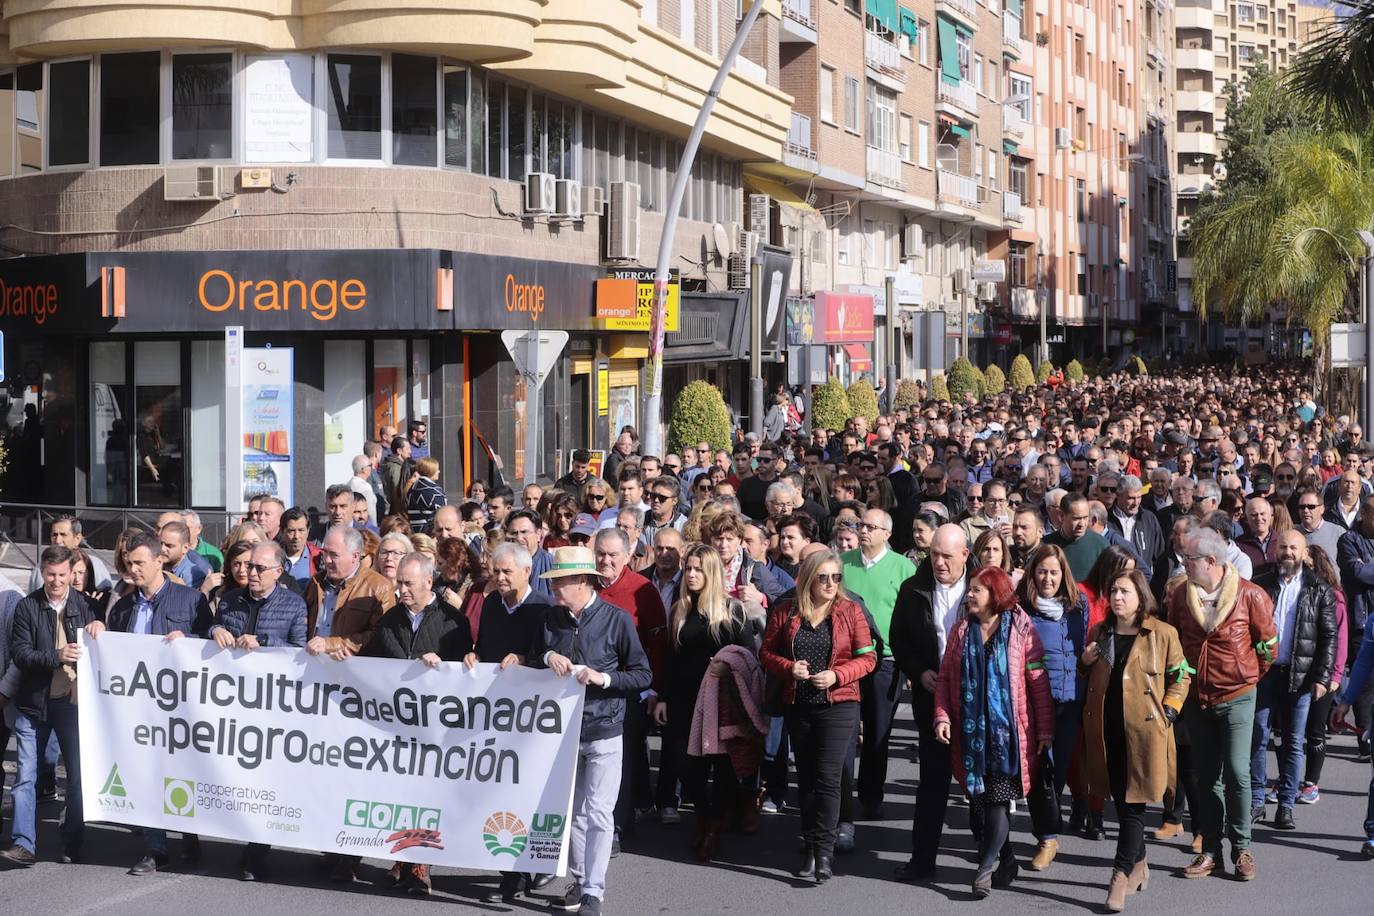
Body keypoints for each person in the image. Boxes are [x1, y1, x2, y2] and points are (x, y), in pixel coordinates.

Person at [535, 546, 654, 916]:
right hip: (563, 732)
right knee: (573, 812)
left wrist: (602, 678)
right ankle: (580, 880)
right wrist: (546, 656)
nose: (554, 588)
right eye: (553, 581)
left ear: (584, 582)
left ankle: (593, 891)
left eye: (561, 582)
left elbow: (643, 674)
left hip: (604, 727)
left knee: (599, 813)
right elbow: (529, 655)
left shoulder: (617, 620)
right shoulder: (551, 618)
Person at [933, 565, 1054, 899]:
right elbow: (945, 679)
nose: (970, 595)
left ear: (995, 594)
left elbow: (1038, 683)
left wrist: (1045, 730)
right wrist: (941, 716)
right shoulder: (960, 631)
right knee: (981, 805)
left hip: (1007, 737)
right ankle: (1007, 859)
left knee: (998, 802)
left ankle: (983, 871)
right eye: (969, 589)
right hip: (972, 736)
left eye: (977, 590)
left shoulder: (1021, 630)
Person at [759, 550, 877, 884]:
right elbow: (766, 653)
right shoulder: (786, 610)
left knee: (828, 777)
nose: (830, 584)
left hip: (840, 704)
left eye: (836, 577)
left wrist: (838, 676)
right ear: (809, 578)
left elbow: (868, 659)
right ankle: (810, 845)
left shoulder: (850, 611)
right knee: (808, 778)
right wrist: (788, 668)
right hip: (800, 703)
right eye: (823, 577)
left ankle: (824, 852)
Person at [1079, 569, 1191, 912]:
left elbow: (1181, 676)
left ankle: (1119, 876)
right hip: (1106, 730)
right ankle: (1140, 864)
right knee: (1122, 800)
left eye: (1124, 592)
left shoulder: (1162, 633)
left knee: (1132, 807)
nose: (1116, 598)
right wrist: (1084, 663)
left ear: (1141, 596)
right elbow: (1093, 678)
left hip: (1144, 734)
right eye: (1113, 591)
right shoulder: (1101, 632)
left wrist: (1169, 711)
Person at [104, 531, 213, 875]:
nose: (131, 569)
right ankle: (156, 847)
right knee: (147, 774)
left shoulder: (190, 600)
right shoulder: (122, 607)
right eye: (128, 562)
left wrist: (190, 640)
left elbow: (210, 647)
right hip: (138, 708)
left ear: (158, 561)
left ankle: (190, 836)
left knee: (181, 773)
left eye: (139, 562)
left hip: (180, 706)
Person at [363, 552, 472, 895]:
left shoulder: (453, 620)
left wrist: (443, 665)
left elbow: (465, 673)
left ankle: (420, 864)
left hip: (435, 726)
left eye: (409, 584)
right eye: (399, 584)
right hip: (396, 721)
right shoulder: (390, 619)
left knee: (428, 793)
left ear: (429, 581)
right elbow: (372, 665)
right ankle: (403, 858)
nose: (402, 590)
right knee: (401, 792)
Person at [1171, 528, 1276, 881]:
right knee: (1206, 778)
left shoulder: (1250, 596)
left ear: (1211, 562)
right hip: (1199, 698)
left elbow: (1268, 645)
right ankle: (1211, 850)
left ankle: (1242, 847)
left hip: (1237, 697)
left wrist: (1247, 676)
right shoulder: (1180, 597)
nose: (1183, 563)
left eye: (1189, 559)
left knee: (1236, 771)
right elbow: (1175, 643)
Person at [209, 540, 308, 882]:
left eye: (258, 568)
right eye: (249, 566)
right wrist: (216, 629)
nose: (250, 573)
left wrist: (263, 644)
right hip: (233, 704)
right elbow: (213, 630)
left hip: (272, 707)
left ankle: (257, 849)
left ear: (278, 572)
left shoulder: (293, 605)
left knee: (267, 778)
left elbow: (299, 650)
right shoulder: (231, 599)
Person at [653, 544, 760, 861]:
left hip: (721, 701)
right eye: (689, 569)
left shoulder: (732, 610)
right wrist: (662, 696)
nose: (692, 574)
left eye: (698, 569)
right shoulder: (680, 609)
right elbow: (671, 659)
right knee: (685, 764)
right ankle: (704, 816)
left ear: (712, 572)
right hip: (684, 700)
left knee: (723, 767)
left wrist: (728, 664)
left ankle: (713, 826)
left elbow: (749, 657)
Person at [0, 546, 99, 869]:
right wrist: (56, 656)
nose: (56, 581)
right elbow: (22, 654)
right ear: (42, 572)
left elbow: (101, 651)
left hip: (71, 704)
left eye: (62, 575)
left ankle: (73, 840)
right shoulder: (28, 607)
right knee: (25, 776)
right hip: (33, 704)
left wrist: (99, 628)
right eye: (50, 574)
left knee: (76, 777)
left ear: (72, 573)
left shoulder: (86, 606)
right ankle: (23, 844)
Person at [889, 523, 971, 882]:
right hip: (932, 696)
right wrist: (919, 671)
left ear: (965, 555)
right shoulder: (913, 589)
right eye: (934, 554)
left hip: (974, 700)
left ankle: (993, 858)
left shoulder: (984, 586)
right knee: (933, 783)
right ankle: (922, 860)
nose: (938, 562)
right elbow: (899, 639)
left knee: (980, 784)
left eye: (947, 556)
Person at [1250, 530, 1336, 830]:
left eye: (1293, 548)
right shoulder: (1260, 584)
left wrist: (1322, 678)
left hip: (1300, 678)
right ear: (1276, 550)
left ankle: (1285, 805)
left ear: (1304, 553)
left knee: (1292, 743)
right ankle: (1257, 801)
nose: (1288, 552)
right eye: (1283, 546)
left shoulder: (1319, 589)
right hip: (1264, 674)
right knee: (1258, 737)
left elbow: (1328, 638)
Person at [1018, 543, 1092, 866]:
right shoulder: (1022, 608)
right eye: (1042, 571)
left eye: (1054, 572)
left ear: (1064, 575)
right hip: (1037, 702)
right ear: (1033, 573)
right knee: (1040, 771)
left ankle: (1049, 828)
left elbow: (1084, 646)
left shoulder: (1079, 606)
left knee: (1058, 770)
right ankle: (1046, 838)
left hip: (1071, 700)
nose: (1048, 578)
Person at [26, 514, 113, 593]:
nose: (57, 541)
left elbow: (105, 595)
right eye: (54, 535)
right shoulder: (41, 567)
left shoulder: (94, 564)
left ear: (77, 538)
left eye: (63, 535)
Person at [1047, 494, 1110, 580]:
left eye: (1085, 518)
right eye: (1076, 519)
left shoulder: (1101, 545)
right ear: (1061, 516)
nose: (1082, 524)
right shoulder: (1047, 545)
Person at [159, 519, 210, 589]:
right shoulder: (154, 565)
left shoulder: (194, 575)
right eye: (160, 543)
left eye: (169, 546)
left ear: (185, 548)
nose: (162, 549)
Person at [405, 457, 446, 533]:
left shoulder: (412, 488)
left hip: (414, 530)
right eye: (437, 469)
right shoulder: (433, 490)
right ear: (431, 471)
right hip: (430, 532)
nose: (439, 471)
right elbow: (442, 514)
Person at [345, 454, 379, 523]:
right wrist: (374, 528)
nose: (371, 467)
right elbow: (371, 512)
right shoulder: (365, 487)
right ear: (364, 470)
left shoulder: (348, 485)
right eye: (370, 465)